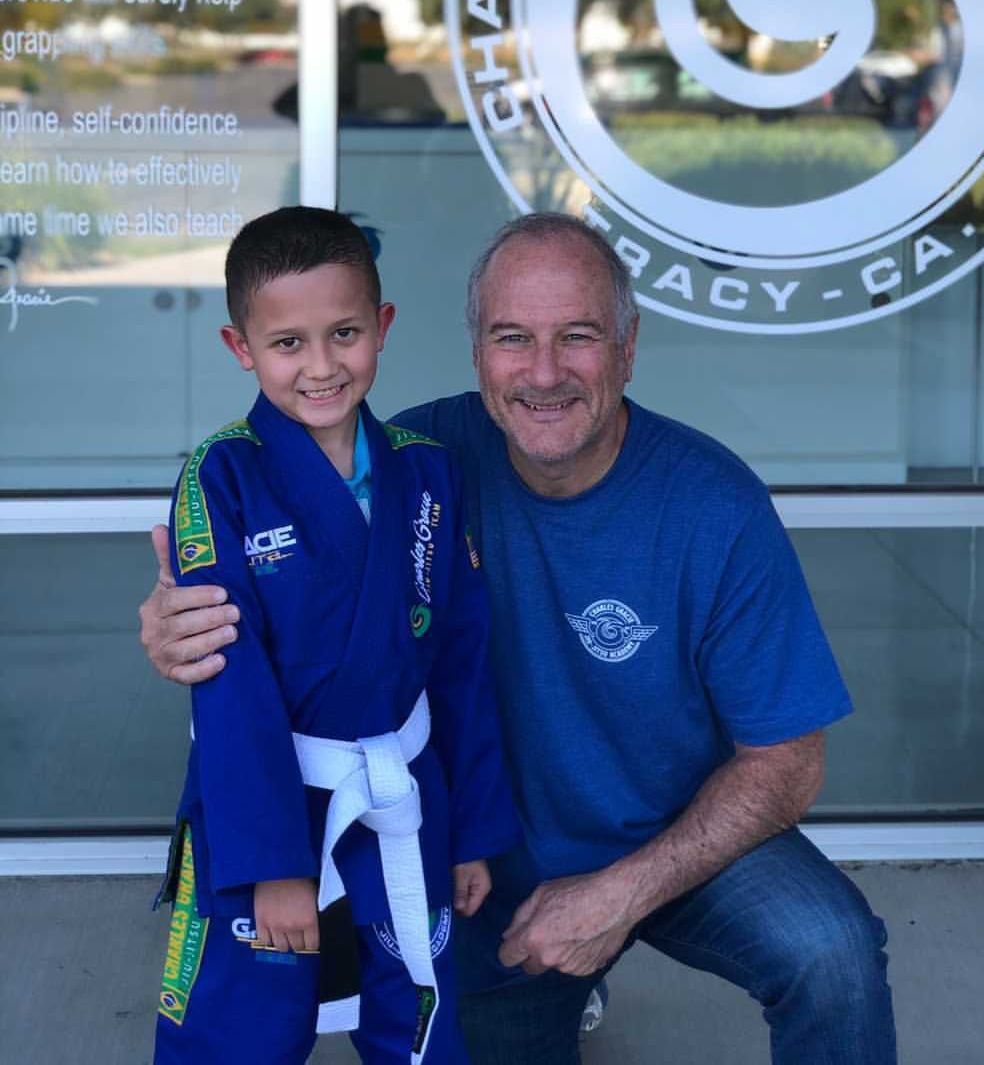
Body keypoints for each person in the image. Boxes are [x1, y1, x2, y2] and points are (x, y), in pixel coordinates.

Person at [141, 212, 897, 1064]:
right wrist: (177, 623)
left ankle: (596, 949)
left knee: (832, 951)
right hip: (491, 874)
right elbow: (261, 598)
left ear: (628, 346)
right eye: (513, 338)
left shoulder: (712, 505)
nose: (543, 373)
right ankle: (559, 986)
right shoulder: (418, 461)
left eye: (577, 336)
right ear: (476, 352)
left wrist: (618, 895)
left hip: (673, 839)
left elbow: (789, 761)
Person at [151, 206, 520, 1064]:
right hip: (270, 809)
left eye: (345, 333)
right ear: (241, 347)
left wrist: (472, 832)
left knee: (418, 1015)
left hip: (404, 792)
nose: (321, 367)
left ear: (382, 327)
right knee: (237, 1025)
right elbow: (227, 683)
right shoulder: (223, 475)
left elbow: (461, 662)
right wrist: (274, 863)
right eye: (287, 344)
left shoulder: (428, 470)